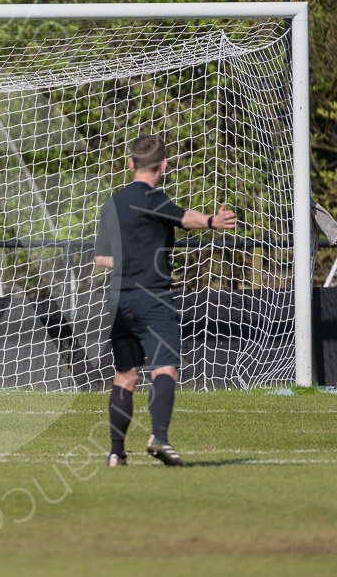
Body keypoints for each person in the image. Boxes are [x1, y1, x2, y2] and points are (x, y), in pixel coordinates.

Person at [93, 133, 237, 468]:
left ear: (130, 164)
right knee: (164, 368)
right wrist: (213, 221)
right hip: (152, 297)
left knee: (124, 376)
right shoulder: (153, 198)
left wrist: (129, 260)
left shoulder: (112, 203)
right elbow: (185, 217)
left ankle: (116, 452)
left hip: (118, 301)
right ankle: (159, 437)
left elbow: (100, 258)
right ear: (164, 165)